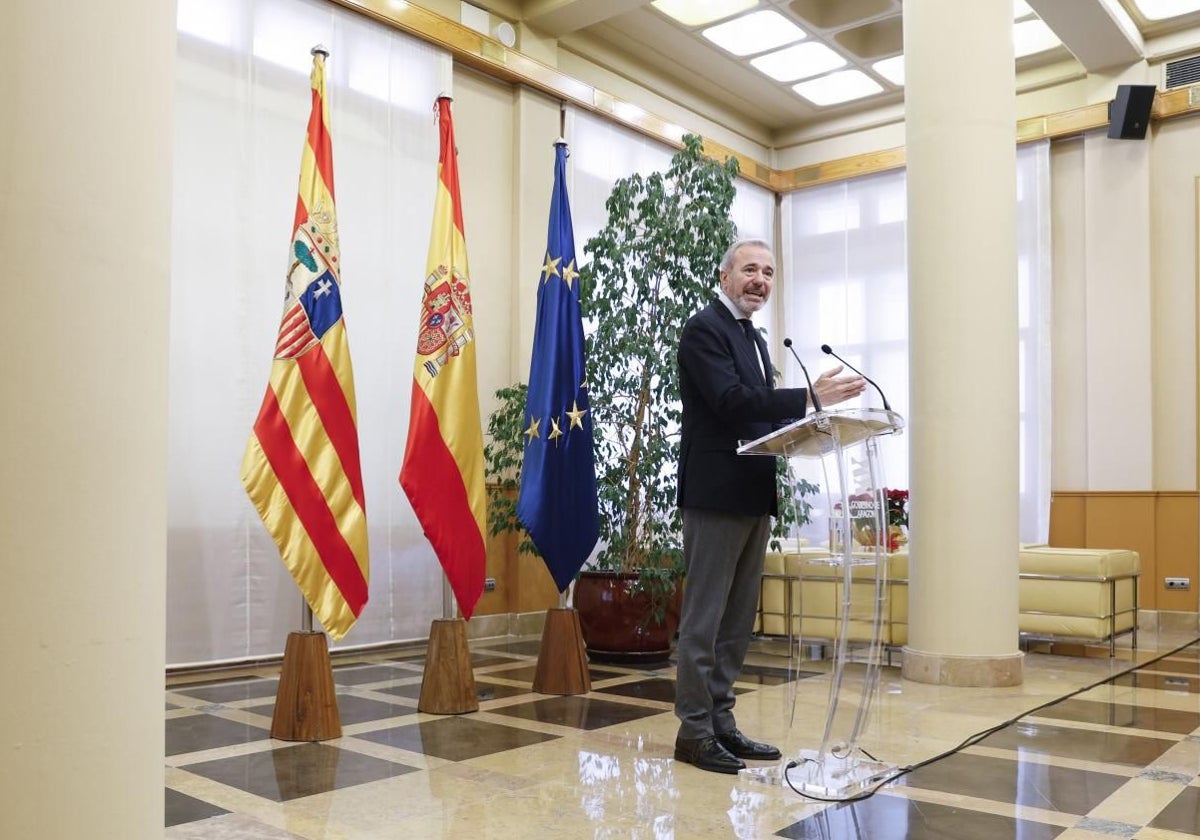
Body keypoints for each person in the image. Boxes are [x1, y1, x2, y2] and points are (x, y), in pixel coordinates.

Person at [673, 238, 866, 774]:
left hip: (754, 491)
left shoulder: (754, 337)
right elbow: (732, 403)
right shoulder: (703, 329)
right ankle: (693, 730)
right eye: (750, 270)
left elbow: (757, 419)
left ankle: (722, 723)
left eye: (768, 272)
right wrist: (807, 397)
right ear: (724, 275)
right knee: (705, 619)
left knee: (737, 623)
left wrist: (807, 428)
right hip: (714, 494)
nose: (760, 279)